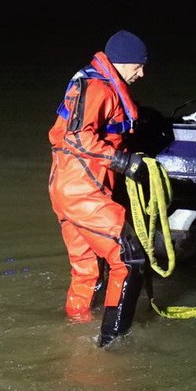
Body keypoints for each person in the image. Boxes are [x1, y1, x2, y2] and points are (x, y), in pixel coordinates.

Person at [48, 29, 150, 347]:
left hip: (66, 187)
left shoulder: (98, 83)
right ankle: (113, 344)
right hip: (83, 191)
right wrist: (122, 162)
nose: (142, 73)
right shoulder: (97, 88)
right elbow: (78, 137)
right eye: (139, 66)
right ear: (122, 62)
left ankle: (75, 330)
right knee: (129, 258)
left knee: (87, 270)